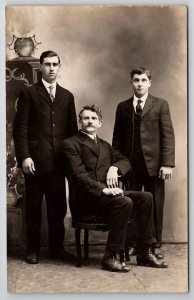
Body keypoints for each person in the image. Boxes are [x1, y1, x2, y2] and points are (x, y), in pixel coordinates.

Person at [63, 104, 168, 272]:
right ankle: (110, 256)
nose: (90, 122)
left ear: (100, 123)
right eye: (86, 118)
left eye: (93, 118)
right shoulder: (71, 144)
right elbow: (79, 176)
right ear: (80, 121)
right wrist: (103, 189)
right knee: (124, 201)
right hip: (88, 199)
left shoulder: (104, 145)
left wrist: (115, 168)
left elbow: (125, 161)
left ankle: (144, 252)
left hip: (107, 197)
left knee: (146, 197)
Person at [13, 50, 78, 264]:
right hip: (34, 163)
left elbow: (72, 133)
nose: (51, 68)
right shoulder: (29, 93)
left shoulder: (67, 96)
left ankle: (57, 248)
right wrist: (24, 157)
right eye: (47, 64)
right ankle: (32, 249)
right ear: (40, 67)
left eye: (55, 64)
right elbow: (20, 128)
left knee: (57, 207)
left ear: (59, 67)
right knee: (32, 208)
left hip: (58, 164)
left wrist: (70, 162)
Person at [112, 67, 175, 259]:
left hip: (154, 165)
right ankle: (132, 242)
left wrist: (167, 164)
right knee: (130, 203)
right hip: (130, 166)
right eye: (136, 80)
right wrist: (118, 165)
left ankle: (154, 244)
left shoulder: (160, 105)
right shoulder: (122, 106)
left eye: (143, 80)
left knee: (155, 204)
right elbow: (116, 139)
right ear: (131, 82)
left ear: (149, 82)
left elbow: (168, 136)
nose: (139, 84)